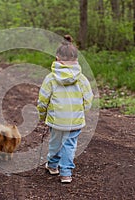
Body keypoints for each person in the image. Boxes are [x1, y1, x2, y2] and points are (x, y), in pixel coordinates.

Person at [37, 35, 93, 183]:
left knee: (55, 142)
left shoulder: (50, 78)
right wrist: (82, 111)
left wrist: (42, 115)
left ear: (57, 58)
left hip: (56, 119)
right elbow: (88, 98)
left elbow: (43, 100)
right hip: (74, 119)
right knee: (70, 144)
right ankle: (66, 173)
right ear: (76, 60)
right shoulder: (81, 79)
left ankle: (53, 166)